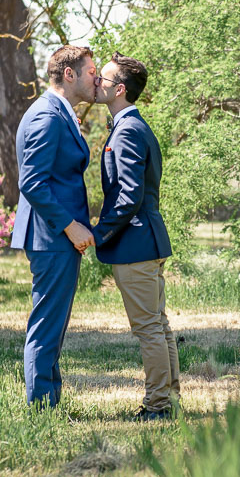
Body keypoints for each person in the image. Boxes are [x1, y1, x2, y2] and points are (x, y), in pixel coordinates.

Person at [10, 45, 98, 408]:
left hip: (56, 237)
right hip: (51, 236)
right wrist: (71, 227)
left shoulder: (59, 114)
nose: (97, 79)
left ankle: (50, 402)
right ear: (70, 74)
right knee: (46, 327)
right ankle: (43, 408)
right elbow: (32, 183)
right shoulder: (47, 115)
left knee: (53, 326)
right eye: (92, 72)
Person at [92, 51, 177, 421]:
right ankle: (168, 398)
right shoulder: (132, 126)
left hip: (136, 243)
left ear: (119, 89)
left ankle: (158, 405)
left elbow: (128, 196)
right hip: (149, 239)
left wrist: (99, 232)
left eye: (104, 80)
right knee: (158, 324)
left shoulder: (126, 130)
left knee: (149, 328)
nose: (97, 83)